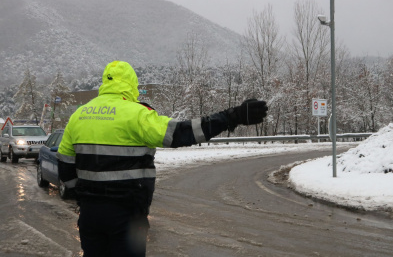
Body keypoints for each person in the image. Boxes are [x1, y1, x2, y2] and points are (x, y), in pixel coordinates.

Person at [57, 61, 268, 257]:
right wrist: (232, 117)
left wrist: (83, 198)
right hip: (128, 215)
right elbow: (183, 133)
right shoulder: (137, 115)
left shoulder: (79, 116)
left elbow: (65, 166)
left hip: (90, 216)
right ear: (132, 84)